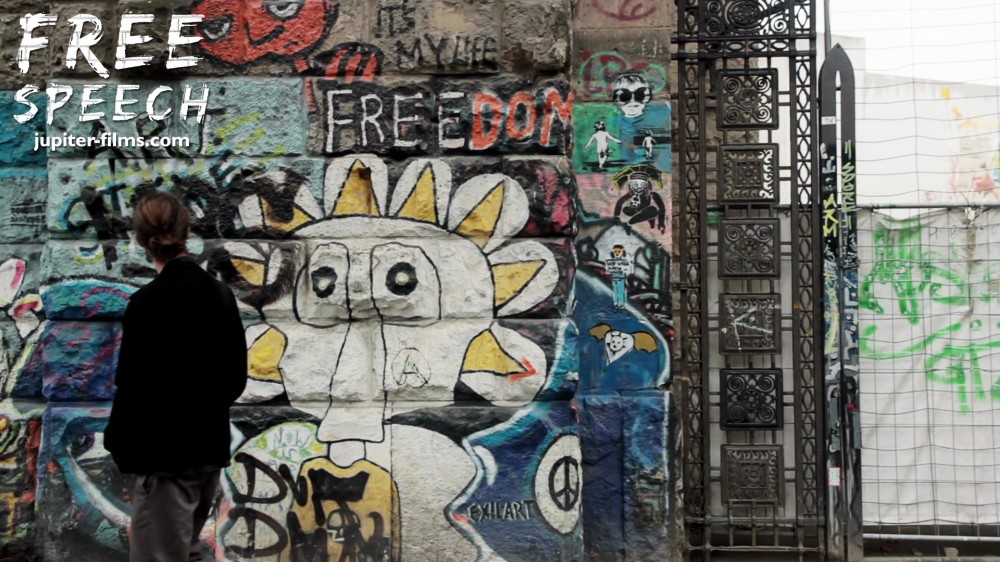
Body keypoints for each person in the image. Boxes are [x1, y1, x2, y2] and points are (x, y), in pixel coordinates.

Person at [103, 192, 248, 562]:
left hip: (165, 462)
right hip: (207, 455)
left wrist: (118, 443)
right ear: (186, 232)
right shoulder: (220, 294)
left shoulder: (148, 302)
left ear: (141, 239)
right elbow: (235, 380)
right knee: (186, 551)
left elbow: (132, 387)